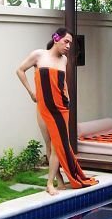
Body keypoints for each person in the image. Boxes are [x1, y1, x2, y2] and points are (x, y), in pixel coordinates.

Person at [16, 27, 98, 195]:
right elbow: (20, 70)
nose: (68, 46)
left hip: (61, 108)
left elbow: (62, 82)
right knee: (50, 144)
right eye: (66, 41)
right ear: (56, 39)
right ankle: (59, 179)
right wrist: (31, 93)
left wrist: (67, 96)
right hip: (43, 107)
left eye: (70, 43)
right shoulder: (39, 55)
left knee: (57, 145)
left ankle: (49, 183)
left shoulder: (64, 60)